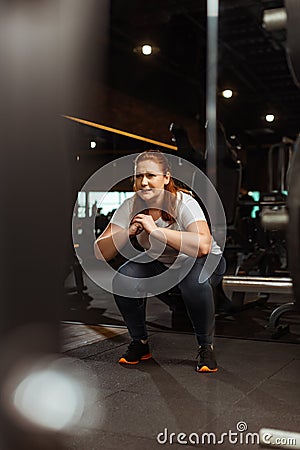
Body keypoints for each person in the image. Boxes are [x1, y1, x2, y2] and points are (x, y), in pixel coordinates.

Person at [94, 150, 225, 373]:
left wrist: (155, 231)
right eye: (138, 176)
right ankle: (140, 343)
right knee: (123, 279)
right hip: (163, 262)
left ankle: (206, 347)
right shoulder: (130, 205)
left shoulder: (184, 202)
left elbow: (203, 246)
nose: (143, 182)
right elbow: (100, 252)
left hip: (202, 260)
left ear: (166, 177)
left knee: (194, 283)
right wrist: (127, 232)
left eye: (151, 175)